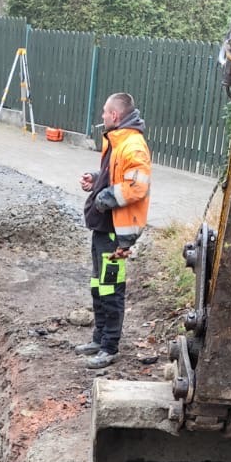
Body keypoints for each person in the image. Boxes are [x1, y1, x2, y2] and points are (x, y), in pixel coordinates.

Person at [77, 92, 152, 370]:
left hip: (115, 233)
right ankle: (98, 338)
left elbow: (137, 185)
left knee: (111, 290)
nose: (102, 116)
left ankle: (109, 347)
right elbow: (114, 176)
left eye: (105, 112)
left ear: (115, 116)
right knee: (99, 287)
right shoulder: (117, 142)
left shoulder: (132, 146)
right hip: (102, 228)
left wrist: (105, 196)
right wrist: (96, 181)